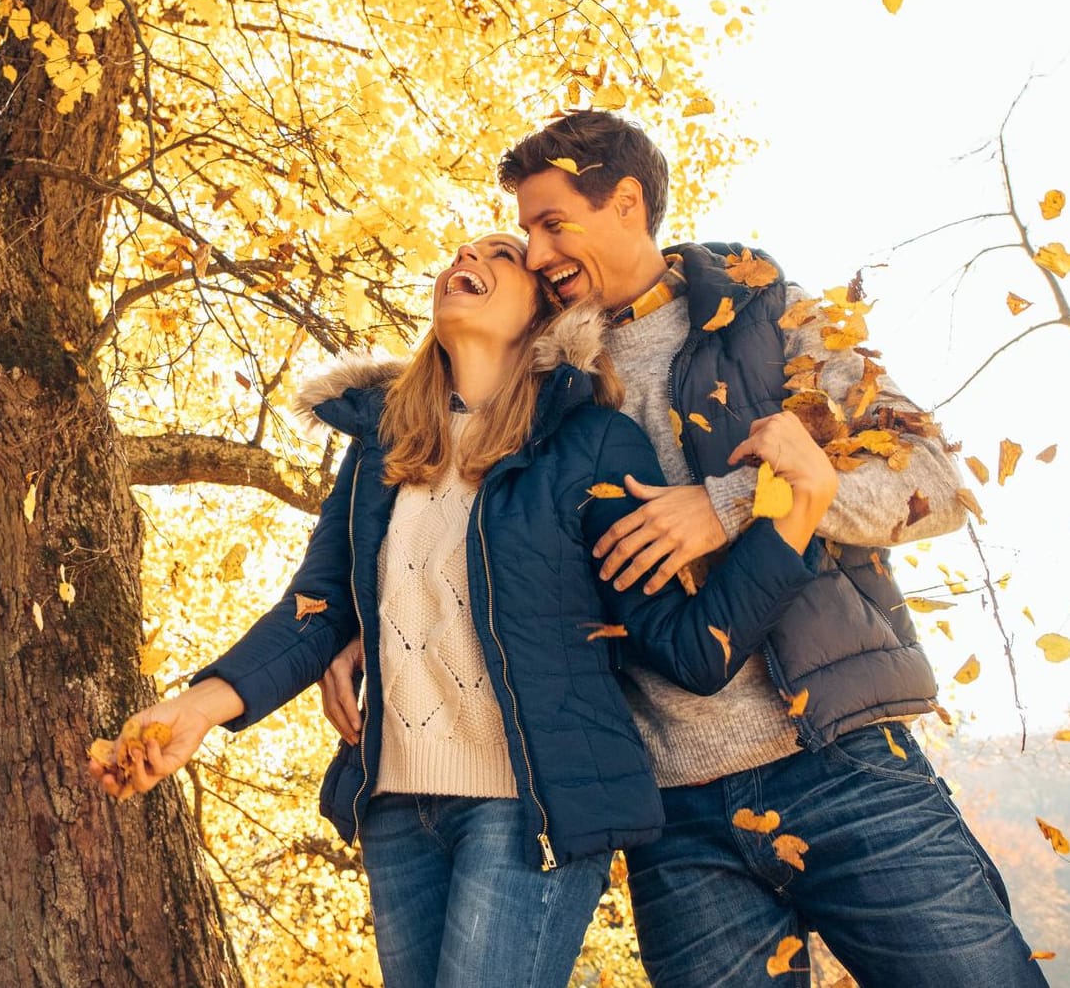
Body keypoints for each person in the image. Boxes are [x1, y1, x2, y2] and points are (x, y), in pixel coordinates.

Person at [322, 111, 1048, 987]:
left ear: (626, 202)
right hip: (673, 820)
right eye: (525, 231)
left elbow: (931, 477)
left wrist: (729, 502)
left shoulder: (772, 318)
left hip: (842, 761)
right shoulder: (540, 381)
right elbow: (467, 538)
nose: (539, 251)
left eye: (553, 223)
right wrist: (372, 620)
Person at [90, 230, 840, 988]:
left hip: (529, 809)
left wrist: (796, 515)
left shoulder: (593, 442)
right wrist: (197, 708)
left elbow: (689, 648)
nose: (466, 262)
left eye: (501, 255)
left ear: (546, 313)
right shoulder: (381, 448)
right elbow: (315, 608)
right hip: (394, 809)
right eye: (457, 254)